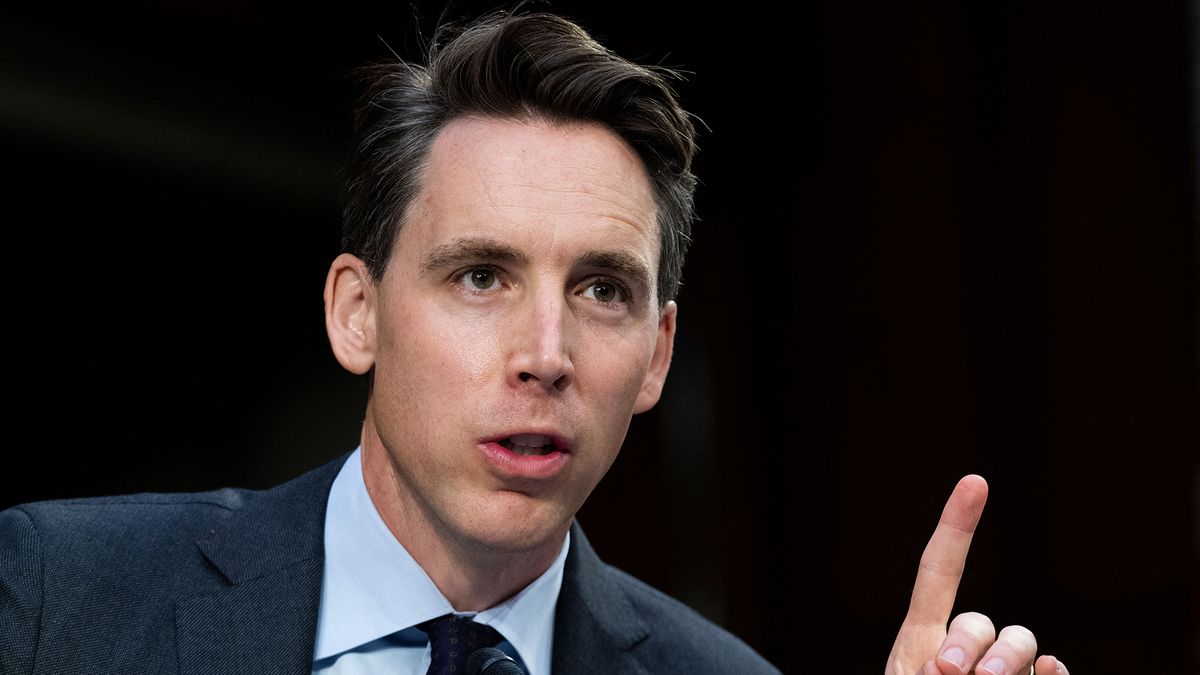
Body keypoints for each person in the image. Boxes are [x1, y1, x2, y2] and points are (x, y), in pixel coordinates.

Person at [0, 7, 1068, 675]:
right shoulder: (55, 596)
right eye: (481, 275)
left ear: (655, 357)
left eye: (602, 289)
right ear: (355, 312)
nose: (546, 351)